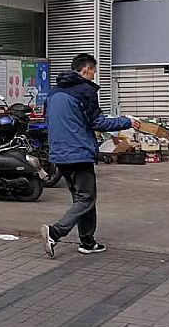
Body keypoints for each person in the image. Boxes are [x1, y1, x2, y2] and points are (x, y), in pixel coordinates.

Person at [42, 53, 140, 257]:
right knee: (86, 199)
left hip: (59, 154)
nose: (94, 76)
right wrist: (127, 122)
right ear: (86, 69)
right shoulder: (85, 91)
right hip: (78, 153)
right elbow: (97, 122)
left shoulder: (54, 92)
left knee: (82, 199)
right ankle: (55, 232)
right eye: (94, 71)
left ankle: (88, 242)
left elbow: (48, 121)